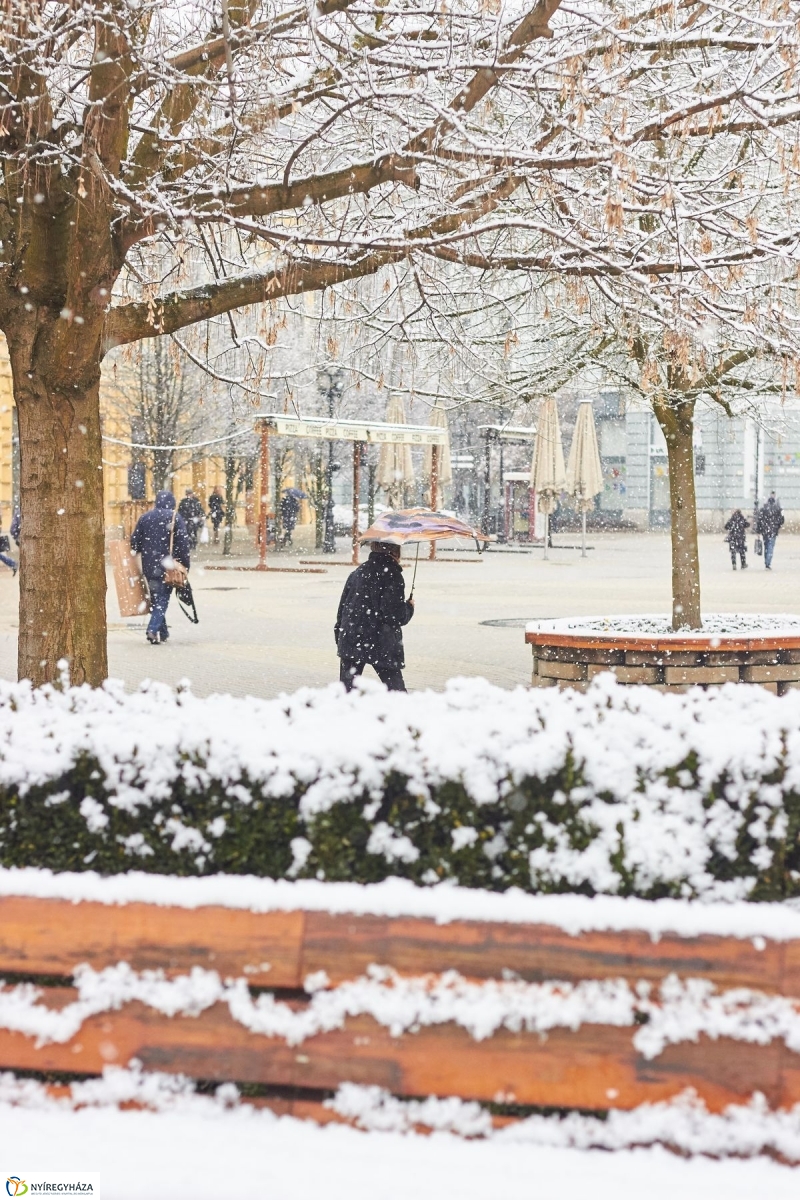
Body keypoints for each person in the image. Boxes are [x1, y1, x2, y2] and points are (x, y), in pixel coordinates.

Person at [335, 541, 414, 691]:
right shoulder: (392, 575)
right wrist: (409, 608)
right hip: (381, 641)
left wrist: (340, 636)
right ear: (395, 552)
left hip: (352, 638)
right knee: (396, 692)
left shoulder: (358, 572)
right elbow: (394, 615)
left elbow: (343, 609)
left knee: (347, 693)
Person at [130, 491, 191, 645]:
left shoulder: (145, 517)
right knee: (162, 599)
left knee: (156, 598)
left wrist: (146, 550)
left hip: (149, 567)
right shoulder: (175, 517)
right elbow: (183, 545)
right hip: (168, 566)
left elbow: (134, 542)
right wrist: (185, 564)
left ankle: (163, 633)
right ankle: (152, 629)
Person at [756, 493, 784, 570]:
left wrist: (758, 531)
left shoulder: (763, 509)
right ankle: (768, 563)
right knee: (770, 547)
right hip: (773, 531)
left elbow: (759, 520)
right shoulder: (777, 509)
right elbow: (781, 520)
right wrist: (777, 526)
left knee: (766, 546)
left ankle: (766, 562)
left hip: (765, 531)